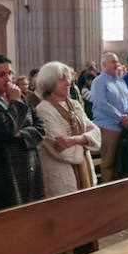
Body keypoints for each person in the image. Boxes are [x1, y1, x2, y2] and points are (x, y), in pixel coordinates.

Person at [0, 54, 45, 212]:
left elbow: (40, 129)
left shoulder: (22, 98)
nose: (8, 79)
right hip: (2, 173)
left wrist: (19, 135)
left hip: (29, 167)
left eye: (10, 73)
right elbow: (6, 129)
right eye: (1, 75)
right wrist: (14, 102)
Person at [34, 61, 101, 198]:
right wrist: (86, 141)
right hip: (62, 176)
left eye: (68, 78)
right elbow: (63, 151)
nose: (68, 82)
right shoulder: (43, 110)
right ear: (49, 81)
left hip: (85, 170)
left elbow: (96, 132)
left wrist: (76, 139)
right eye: (62, 79)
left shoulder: (75, 105)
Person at [90, 52, 128, 183]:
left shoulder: (121, 81)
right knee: (108, 162)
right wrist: (121, 118)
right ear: (104, 65)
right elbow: (101, 103)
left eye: (117, 61)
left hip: (123, 126)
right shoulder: (99, 81)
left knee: (122, 163)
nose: (117, 64)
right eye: (113, 62)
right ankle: (107, 191)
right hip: (108, 126)